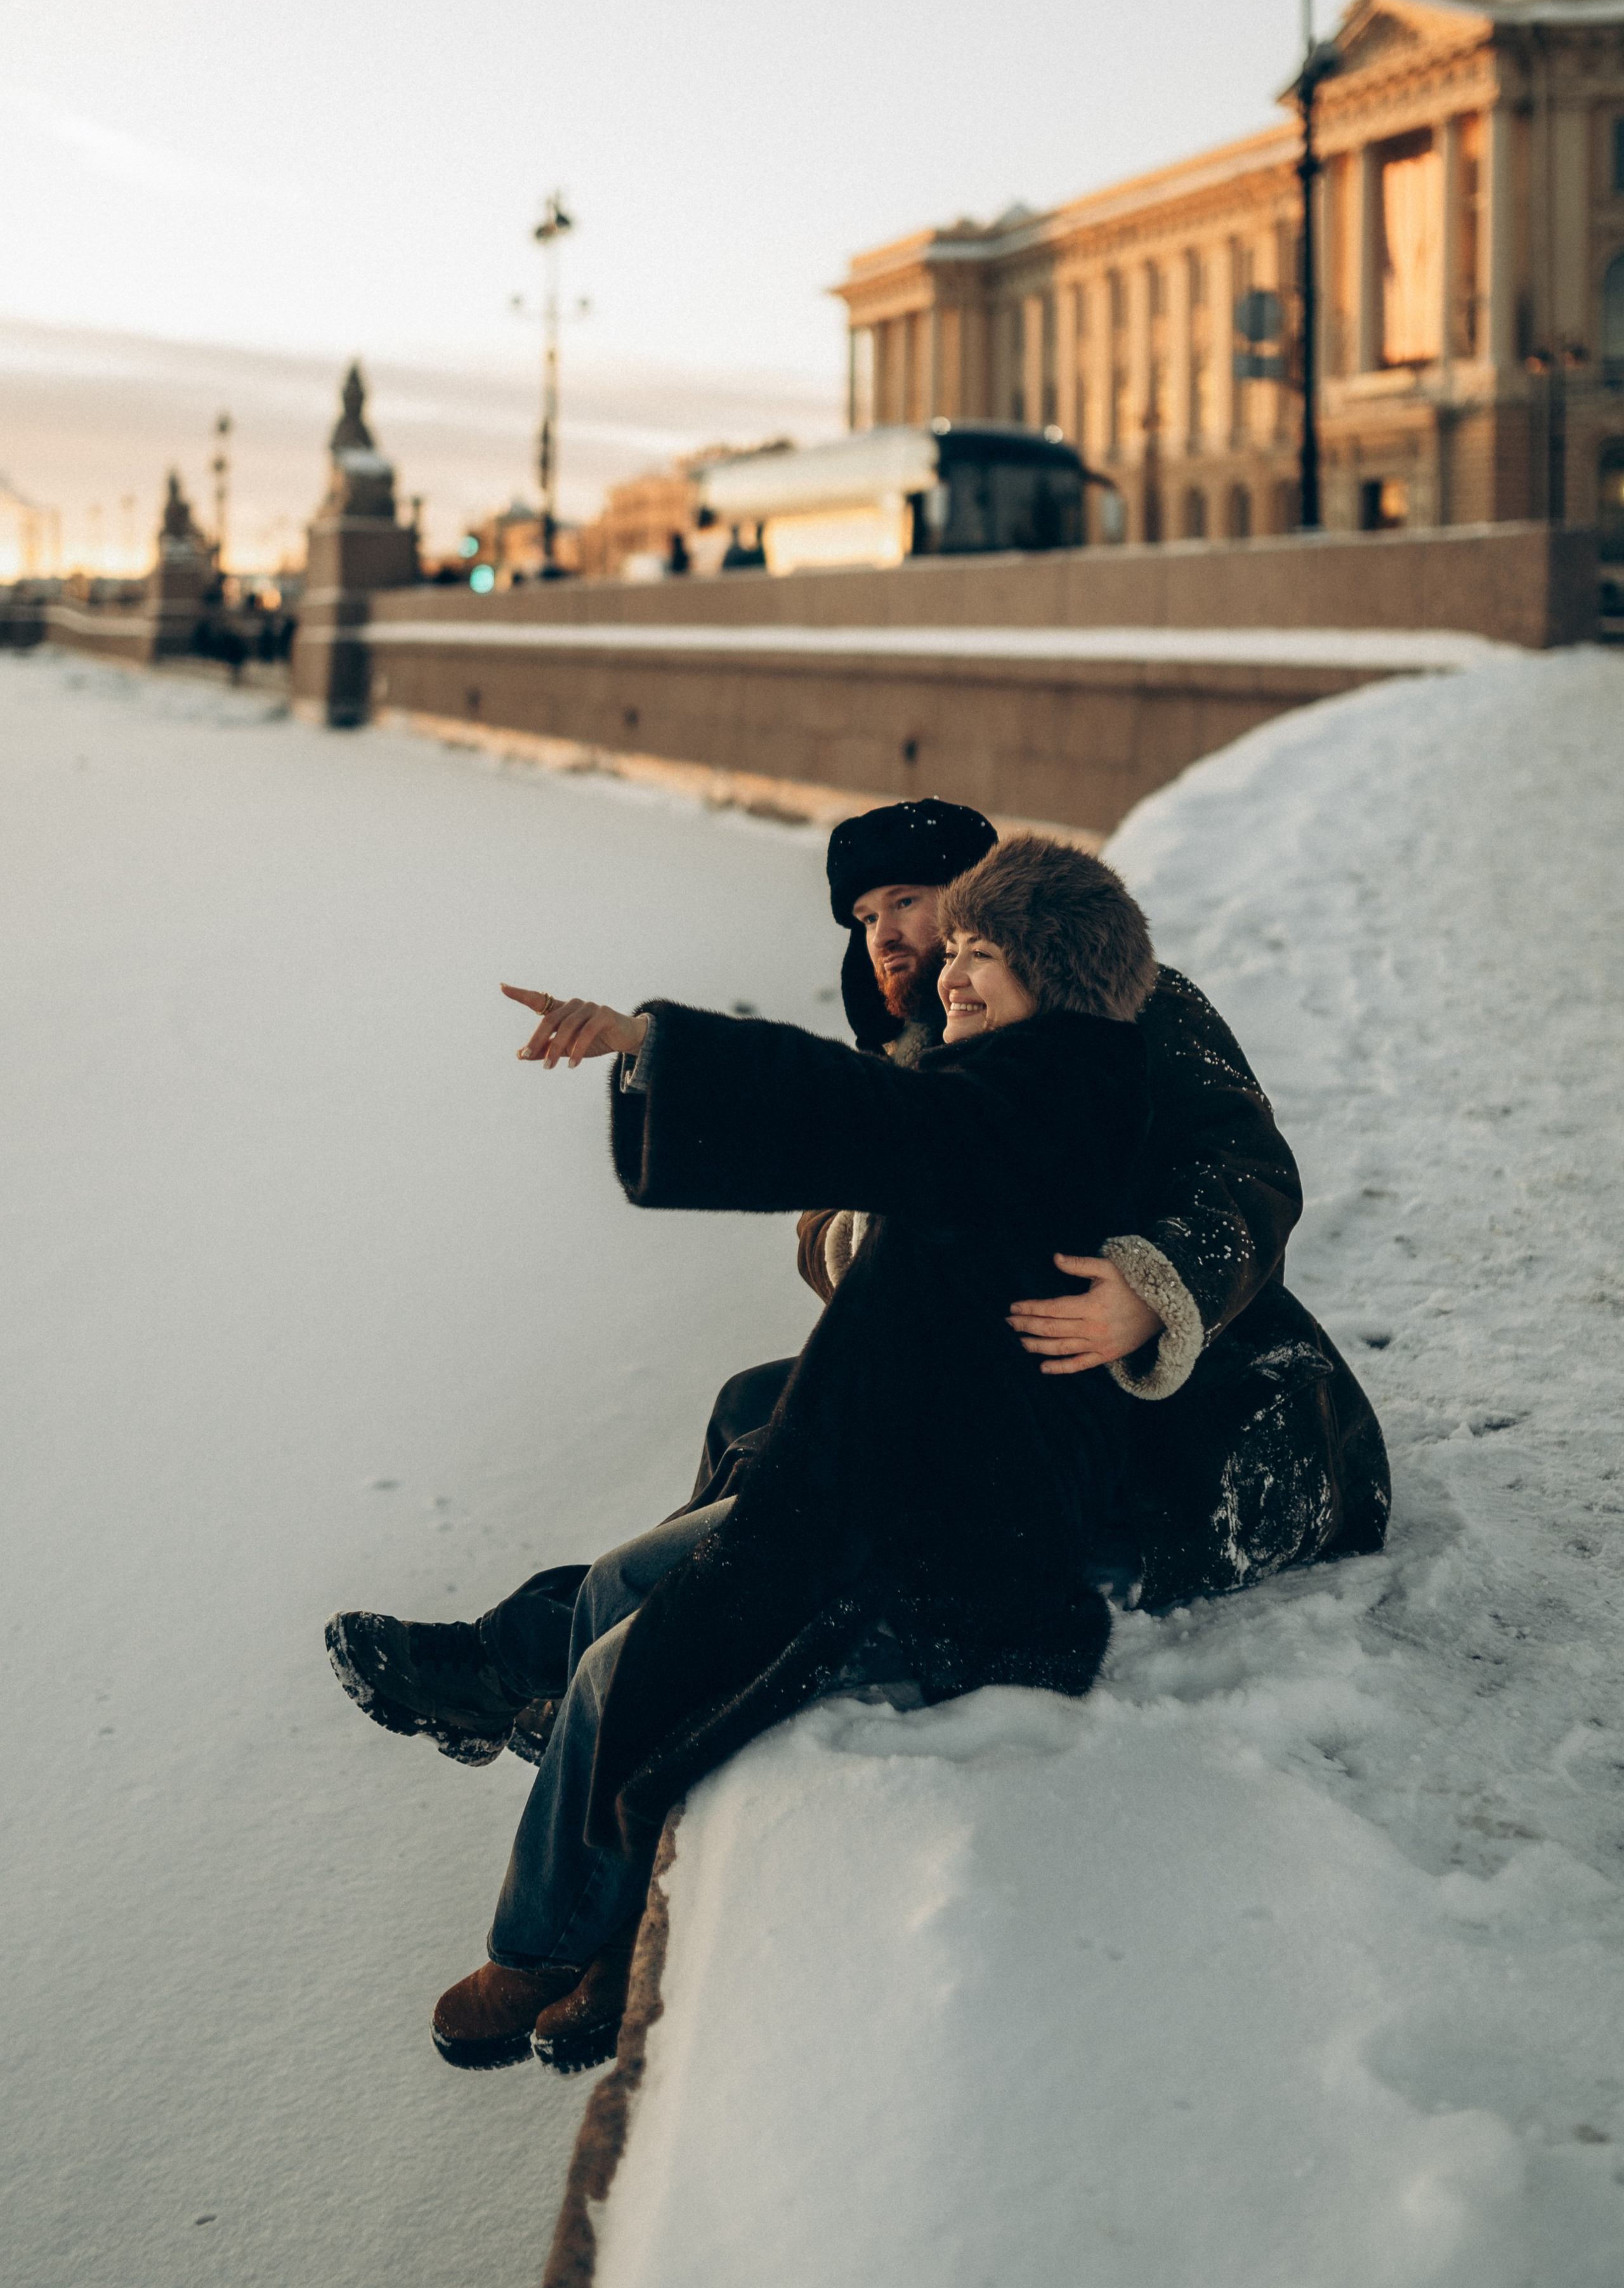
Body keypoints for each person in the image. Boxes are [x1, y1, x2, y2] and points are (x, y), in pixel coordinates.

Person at [327, 799, 1390, 2069]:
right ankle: (549, 1674)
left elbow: (1243, 1170)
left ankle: (544, 1693)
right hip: (1000, 1409)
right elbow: (846, 1180)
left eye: (911, 909)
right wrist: (700, 1088)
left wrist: (1142, 1284)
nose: (893, 943)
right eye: (868, 922)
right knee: (747, 1421)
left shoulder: (1128, 1008)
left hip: (1196, 1441)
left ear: (990, 905)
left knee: (731, 1571)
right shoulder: (936, 1043)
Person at [409, 834, 1160, 2070]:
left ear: (1062, 971)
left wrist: (649, 1042)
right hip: (868, 1498)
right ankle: (583, 1913)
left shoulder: (1048, 1098)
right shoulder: (1010, 1086)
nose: (953, 975)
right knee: (618, 1584)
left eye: (988, 953)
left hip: (952, 1563)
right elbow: (872, 1134)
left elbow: (864, 1113)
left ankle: (555, 1947)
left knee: (618, 1672)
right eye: (954, 948)